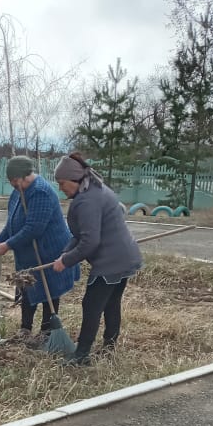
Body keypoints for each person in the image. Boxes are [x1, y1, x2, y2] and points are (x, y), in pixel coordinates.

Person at [52, 152, 143, 365]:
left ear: (74, 180)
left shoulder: (87, 201)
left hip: (111, 261)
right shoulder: (95, 189)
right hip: (124, 257)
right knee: (111, 303)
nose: (61, 188)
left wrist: (66, 261)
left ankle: (81, 355)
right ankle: (109, 347)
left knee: (91, 305)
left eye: (62, 183)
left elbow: (89, 242)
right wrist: (65, 253)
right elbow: (80, 236)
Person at [0, 156, 79, 343]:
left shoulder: (40, 192)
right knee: (26, 287)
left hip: (49, 250)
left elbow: (33, 228)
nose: (12, 184)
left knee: (48, 290)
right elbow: (13, 222)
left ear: (23, 176)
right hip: (28, 253)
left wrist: (8, 245)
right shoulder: (18, 191)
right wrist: (0, 240)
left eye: (14, 180)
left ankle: (47, 332)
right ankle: (25, 329)